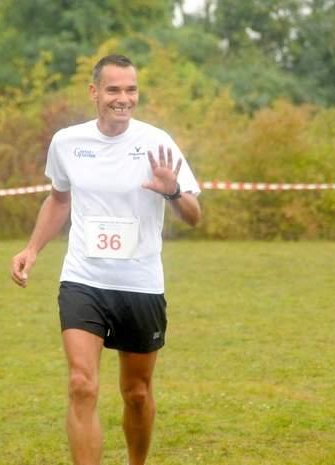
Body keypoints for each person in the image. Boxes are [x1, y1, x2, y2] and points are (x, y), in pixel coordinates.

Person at [10, 54, 202, 465]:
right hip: (83, 279)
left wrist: (172, 191)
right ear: (94, 92)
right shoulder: (67, 142)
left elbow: (194, 216)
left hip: (140, 284)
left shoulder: (158, 143)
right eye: (114, 89)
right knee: (81, 384)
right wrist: (32, 248)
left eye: (131, 90)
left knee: (137, 393)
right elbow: (59, 200)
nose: (123, 98)